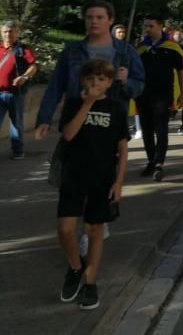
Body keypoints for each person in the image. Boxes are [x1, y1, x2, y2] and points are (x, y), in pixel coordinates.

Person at [56, 59, 129, 310]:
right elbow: (68, 134)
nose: (95, 82)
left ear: (109, 82)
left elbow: (122, 147)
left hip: (103, 178)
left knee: (95, 231)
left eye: (101, 78)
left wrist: (119, 182)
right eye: (91, 78)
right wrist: (87, 103)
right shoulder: (74, 104)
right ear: (83, 81)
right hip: (74, 175)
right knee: (66, 228)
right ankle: (76, 268)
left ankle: (90, 283)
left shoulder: (117, 108)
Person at [36, 1, 144, 142]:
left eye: (99, 17)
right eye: (89, 17)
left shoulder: (126, 51)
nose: (94, 21)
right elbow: (55, 86)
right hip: (76, 120)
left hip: (110, 122)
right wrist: (44, 119)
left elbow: (139, 86)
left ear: (110, 20)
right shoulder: (72, 51)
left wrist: (126, 81)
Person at [135, 15, 183, 181]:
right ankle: (150, 161)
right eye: (145, 26)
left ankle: (159, 163)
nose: (147, 29)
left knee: (161, 128)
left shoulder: (172, 48)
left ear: (160, 26)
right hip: (143, 95)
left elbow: (182, 73)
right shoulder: (140, 48)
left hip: (163, 95)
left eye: (151, 25)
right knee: (146, 130)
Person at [0, 21, 38, 159]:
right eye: (5, 31)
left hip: (15, 94)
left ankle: (18, 151)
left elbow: (33, 67)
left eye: (11, 31)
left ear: (17, 33)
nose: (8, 34)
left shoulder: (23, 49)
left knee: (16, 125)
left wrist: (24, 77)